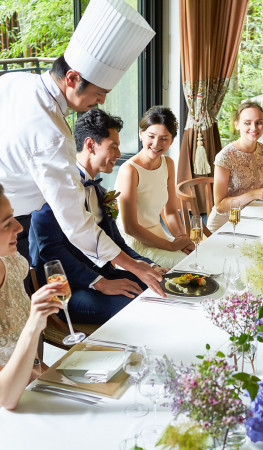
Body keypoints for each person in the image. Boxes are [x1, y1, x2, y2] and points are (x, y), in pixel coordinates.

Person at [0, 0, 164, 296]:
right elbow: (74, 221)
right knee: (19, 317)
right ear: (73, 78)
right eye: (100, 92)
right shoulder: (51, 135)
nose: (101, 101)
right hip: (11, 227)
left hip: (9, 218)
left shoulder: (15, 81)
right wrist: (132, 265)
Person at [29, 110, 167, 324]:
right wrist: (100, 282)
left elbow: (116, 243)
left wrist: (148, 265)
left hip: (103, 274)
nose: (119, 153)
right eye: (113, 146)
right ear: (90, 145)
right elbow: (51, 252)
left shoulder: (99, 191)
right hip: (67, 289)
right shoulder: (55, 188)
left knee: (160, 286)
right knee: (137, 308)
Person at [0, 183, 65, 410]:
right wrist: (34, 324)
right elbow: (5, 399)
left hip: (32, 380)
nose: (19, 227)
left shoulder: (9, 258)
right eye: (6, 223)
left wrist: (45, 370)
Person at [115, 106, 194, 268]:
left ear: (172, 140)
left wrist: (181, 239)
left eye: (164, 138)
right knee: (187, 265)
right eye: (151, 136)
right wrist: (172, 246)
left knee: (197, 255)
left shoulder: (168, 164)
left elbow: (171, 212)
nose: (156, 144)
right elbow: (130, 228)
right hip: (135, 242)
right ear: (141, 134)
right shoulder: (129, 170)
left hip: (158, 233)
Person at [206, 101, 263, 233]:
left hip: (251, 217)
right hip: (225, 224)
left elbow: (258, 188)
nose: (254, 128)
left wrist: (261, 195)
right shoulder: (225, 156)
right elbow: (220, 206)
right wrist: (253, 194)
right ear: (237, 124)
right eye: (247, 123)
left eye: (259, 122)